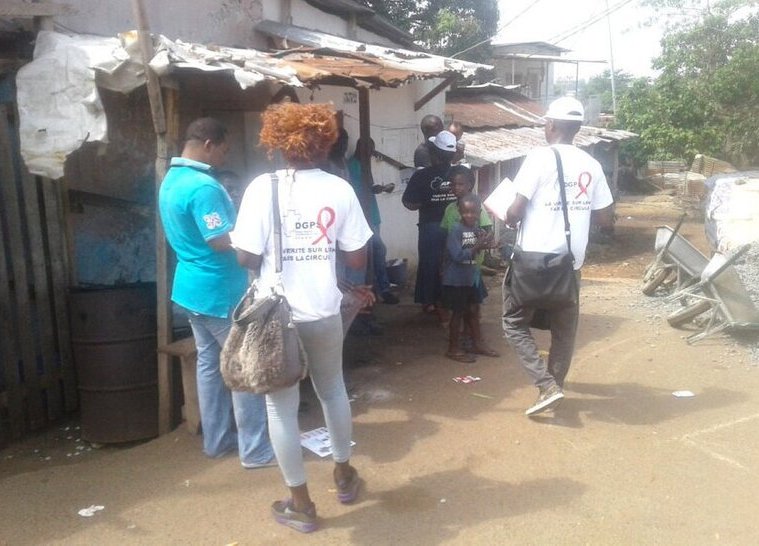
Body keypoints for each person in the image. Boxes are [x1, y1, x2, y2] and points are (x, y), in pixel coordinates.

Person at [231, 102, 373, 533]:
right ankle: (344, 476)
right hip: (324, 309)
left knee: (281, 410)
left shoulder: (261, 188)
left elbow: (245, 257)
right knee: (333, 391)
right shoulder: (339, 189)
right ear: (326, 142)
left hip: (275, 318)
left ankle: (301, 504)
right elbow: (357, 258)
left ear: (276, 142)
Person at [486, 97, 614, 417]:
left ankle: (547, 387)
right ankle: (554, 385)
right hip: (570, 264)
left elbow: (515, 212)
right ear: (578, 128)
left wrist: (509, 214)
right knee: (564, 331)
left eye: (545, 123)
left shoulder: (539, 158)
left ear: (551, 125)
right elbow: (605, 219)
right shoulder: (592, 165)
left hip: (532, 262)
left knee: (514, 322)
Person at [157, 117, 274, 468]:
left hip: (190, 289)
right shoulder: (203, 187)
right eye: (223, 150)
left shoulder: (171, 180)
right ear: (208, 145)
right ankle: (255, 450)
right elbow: (220, 239)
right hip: (219, 291)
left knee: (209, 364)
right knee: (242, 364)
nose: (225, 157)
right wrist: (256, 236)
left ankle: (217, 440)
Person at [402, 130, 458, 318]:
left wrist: (427, 201)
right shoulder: (462, 173)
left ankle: (429, 302)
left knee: (429, 264)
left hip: (431, 227)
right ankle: (452, 300)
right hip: (456, 226)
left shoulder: (421, 176)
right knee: (454, 262)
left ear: (434, 153)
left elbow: (409, 203)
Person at [440, 165, 496, 352]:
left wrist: (487, 242)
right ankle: (459, 344)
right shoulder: (450, 210)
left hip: (473, 269)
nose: (456, 188)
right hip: (456, 269)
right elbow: (446, 239)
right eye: (453, 184)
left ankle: (474, 341)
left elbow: (486, 231)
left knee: (473, 308)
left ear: (470, 185)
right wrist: (442, 266)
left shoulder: (477, 207)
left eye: (460, 184)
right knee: (460, 309)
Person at [346, 137, 398, 305]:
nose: (371, 154)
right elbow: (358, 192)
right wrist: (377, 189)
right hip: (363, 217)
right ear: (360, 148)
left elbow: (368, 189)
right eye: (369, 150)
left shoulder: (363, 165)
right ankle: (381, 290)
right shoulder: (352, 166)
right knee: (377, 250)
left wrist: (380, 188)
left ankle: (378, 289)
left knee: (375, 253)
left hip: (372, 215)